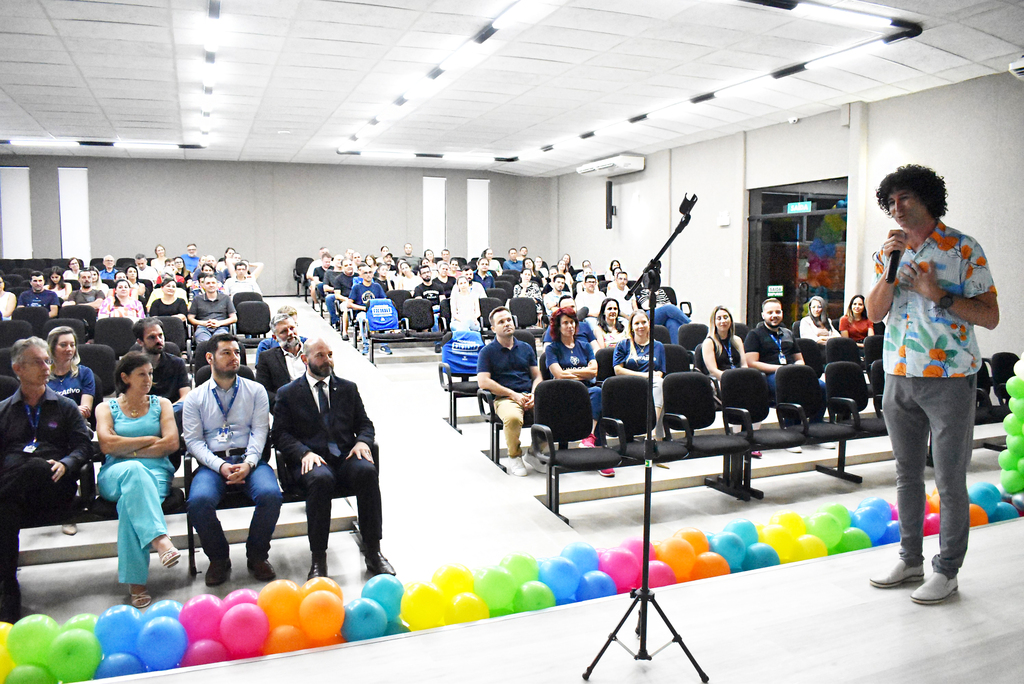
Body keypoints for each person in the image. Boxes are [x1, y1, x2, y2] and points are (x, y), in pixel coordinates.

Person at [866, 164, 999, 605]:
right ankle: (910, 558)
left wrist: (936, 292)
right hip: (898, 374)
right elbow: (874, 313)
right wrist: (890, 270)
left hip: (950, 378)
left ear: (927, 199)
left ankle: (948, 570)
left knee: (949, 478)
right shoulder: (890, 251)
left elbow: (990, 316)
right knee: (906, 475)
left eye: (905, 198)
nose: (897, 209)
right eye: (891, 201)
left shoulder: (963, 249)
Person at [272, 337, 395, 578]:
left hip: (345, 455)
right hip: (312, 458)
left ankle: (373, 551)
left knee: (367, 472)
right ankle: (318, 558)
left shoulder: (348, 388)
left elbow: (365, 424)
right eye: (320, 355)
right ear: (305, 359)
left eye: (329, 354)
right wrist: (303, 452)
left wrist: (362, 441)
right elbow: (280, 435)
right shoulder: (288, 393)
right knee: (320, 480)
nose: (327, 360)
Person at [0, 338, 92, 622]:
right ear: (18, 368)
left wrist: (66, 463)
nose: (46, 367)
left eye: (46, 361)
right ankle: (8, 588)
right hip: (13, 495)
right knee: (5, 509)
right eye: (38, 362)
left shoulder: (65, 407)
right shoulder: (3, 411)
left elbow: (85, 446)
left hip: (54, 485)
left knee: (38, 467)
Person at [183, 334, 280, 586]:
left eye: (236, 352)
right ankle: (218, 559)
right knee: (198, 501)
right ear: (210, 358)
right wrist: (221, 466)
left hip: (250, 459)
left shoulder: (255, 390)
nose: (234, 357)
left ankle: (257, 555)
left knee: (271, 495)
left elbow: (261, 431)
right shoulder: (195, 398)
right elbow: (193, 442)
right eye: (226, 352)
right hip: (213, 464)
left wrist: (248, 463)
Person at [95, 352, 180, 608]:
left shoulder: (161, 404)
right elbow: (107, 445)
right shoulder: (105, 407)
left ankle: (137, 584)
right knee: (133, 471)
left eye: (150, 374)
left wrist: (126, 447)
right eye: (142, 374)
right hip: (115, 475)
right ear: (125, 377)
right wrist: (149, 440)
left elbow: (172, 443)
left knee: (129, 505)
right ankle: (160, 539)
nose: (148, 379)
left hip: (155, 475)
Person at [476, 307, 541, 477]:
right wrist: (513, 395)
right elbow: (483, 381)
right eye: (501, 322)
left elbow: (537, 376)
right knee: (513, 417)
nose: (506, 324)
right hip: (504, 398)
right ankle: (514, 456)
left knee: (552, 408)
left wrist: (534, 393)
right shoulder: (487, 352)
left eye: (509, 320)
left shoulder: (526, 347)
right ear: (493, 329)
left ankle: (537, 452)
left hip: (528, 394)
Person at [541, 307, 602, 453]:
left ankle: (590, 437)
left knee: (597, 391)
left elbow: (594, 371)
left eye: (572, 322)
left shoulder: (585, 346)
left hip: (586, 389)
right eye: (566, 323)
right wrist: (583, 371)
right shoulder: (552, 349)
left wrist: (569, 371)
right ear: (558, 327)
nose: (570, 326)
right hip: (563, 390)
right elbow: (559, 375)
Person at [613, 310, 666, 437]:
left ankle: (652, 430)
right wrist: (645, 376)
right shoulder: (623, 344)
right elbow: (618, 370)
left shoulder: (658, 346)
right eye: (637, 323)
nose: (641, 326)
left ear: (649, 324)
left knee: (660, 383)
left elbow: (660, 371)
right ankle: (652, 431)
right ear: (631, 327)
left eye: (644, 322)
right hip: (630, 383)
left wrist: (653, 376)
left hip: (652, 384)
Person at [744, 298, 806, 399]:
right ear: (763, 315)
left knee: (821, 387)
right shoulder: (754, 335)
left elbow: (799, 359)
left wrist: (796, 366)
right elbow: (751, 363)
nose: (774, 315)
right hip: (770, 375)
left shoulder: (788, 333)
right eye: (770, 313)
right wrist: (781, 369)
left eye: (778, 312)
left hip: (792, 372)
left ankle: (812, 415)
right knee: (791, 388)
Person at [134, 318, 189, 408]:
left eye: (160, 335)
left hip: (172, 411)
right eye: (152, 337)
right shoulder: (131, 366)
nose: (159, 341)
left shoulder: (177, 363)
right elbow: (124, 398)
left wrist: (166, 412)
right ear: (140, 342)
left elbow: (185, 396)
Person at [256, 313, 307, 407]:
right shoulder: (267, 358)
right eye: (284, 331)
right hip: (285, 409)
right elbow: (263, 391)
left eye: (292, 328)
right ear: (275, 338)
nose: (290, 333)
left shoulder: (313, 351)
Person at [46, 327, 97, 421]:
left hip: (78, 425)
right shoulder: (43, 375)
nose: (69, 349)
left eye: (72, 345)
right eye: (63, 345)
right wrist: (75, 409)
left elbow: (85, 410)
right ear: (52, 347)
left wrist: (59, 411)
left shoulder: (85, 373)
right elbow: (44, 412)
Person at [348, 264, 392, 355]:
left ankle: (384, 345)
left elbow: (384, 300)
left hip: (376, 311)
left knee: (386, 316)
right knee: (363, 318)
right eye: (365, 273)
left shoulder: (377, 286)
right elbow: (349, 304)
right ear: (361, 275)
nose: (368, 275)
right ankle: (366, 344)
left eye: (370, 272)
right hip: (362, 311)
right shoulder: (357, 287)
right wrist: (363, 308)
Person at [700, 306, 748, 380]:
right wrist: (731, 378)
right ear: (714, 322)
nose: (723, 321)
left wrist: (744, 377)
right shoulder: (709, 343)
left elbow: (744, 365)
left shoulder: (737, 340)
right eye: (719, 318)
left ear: (731, 320)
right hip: (721, 380)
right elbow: (713, 371)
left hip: (739, 378)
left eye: (726, 317)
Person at [188, 274, 237, 343]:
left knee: (219, 342)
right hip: (203, 328)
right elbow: (190, 317)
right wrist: (203, 323)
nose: (211, 285)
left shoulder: (226, 298)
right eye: (208, 283)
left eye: (213, 283)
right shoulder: (197, 299)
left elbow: (234, 318)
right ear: (203, 285)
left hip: (221, 327)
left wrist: (219, 323)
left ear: (217, 285)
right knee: (204, 343)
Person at [325, 258, 356, 336]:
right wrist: (349, 300)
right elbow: (337, 295)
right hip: (345, 300)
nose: (349, 267)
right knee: (346, 307)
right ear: (342, 267)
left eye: (350, 265)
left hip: (358, 300)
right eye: (346, 265)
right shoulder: (338, 279)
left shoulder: (358, 276)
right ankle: (345, 332)